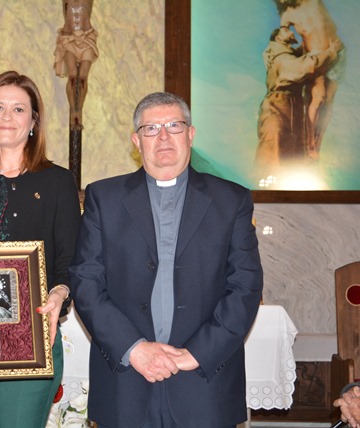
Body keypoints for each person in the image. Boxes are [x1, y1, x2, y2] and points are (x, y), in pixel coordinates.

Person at [69, 92, 264, 428]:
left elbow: (245, 285)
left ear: (190, 134)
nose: (162, 137)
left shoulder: (230, 199)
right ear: (136, 140)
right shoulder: (104, 198)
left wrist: (197, 354)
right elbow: (86, 282)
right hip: (127, 380)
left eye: (173, 126)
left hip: (204, 381)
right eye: (150, 128)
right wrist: (134, 349)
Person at [0, 70, 82, 427]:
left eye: (19, 110)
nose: (7, 117)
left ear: (34, 122)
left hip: (31, 335)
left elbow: (71, 261)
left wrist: (59, 295)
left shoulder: (57, 181)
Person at [255, 26, 340, 169]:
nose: (291, 31)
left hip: (289, 106)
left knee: (291, 153)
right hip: (277, 107)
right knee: (273, 150)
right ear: (278, 38)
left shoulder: (285, 55)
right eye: (286, 30)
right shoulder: (281, 58)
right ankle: (266, 187)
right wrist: (331, 52)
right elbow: (306, 66)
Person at [275, 0, 345, 159]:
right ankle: (309, 144)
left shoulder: (313, 1)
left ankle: (318, 142)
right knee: (317, 99)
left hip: (338, 53)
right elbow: (282, 41)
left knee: (328, 101)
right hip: (317, 58)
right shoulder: (287, 15)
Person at [53, 0, 98, 130]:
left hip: (87, 38)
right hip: (70, 38)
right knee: (72, 77)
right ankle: (74, 112)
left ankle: (79, 109)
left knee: (83, 78)